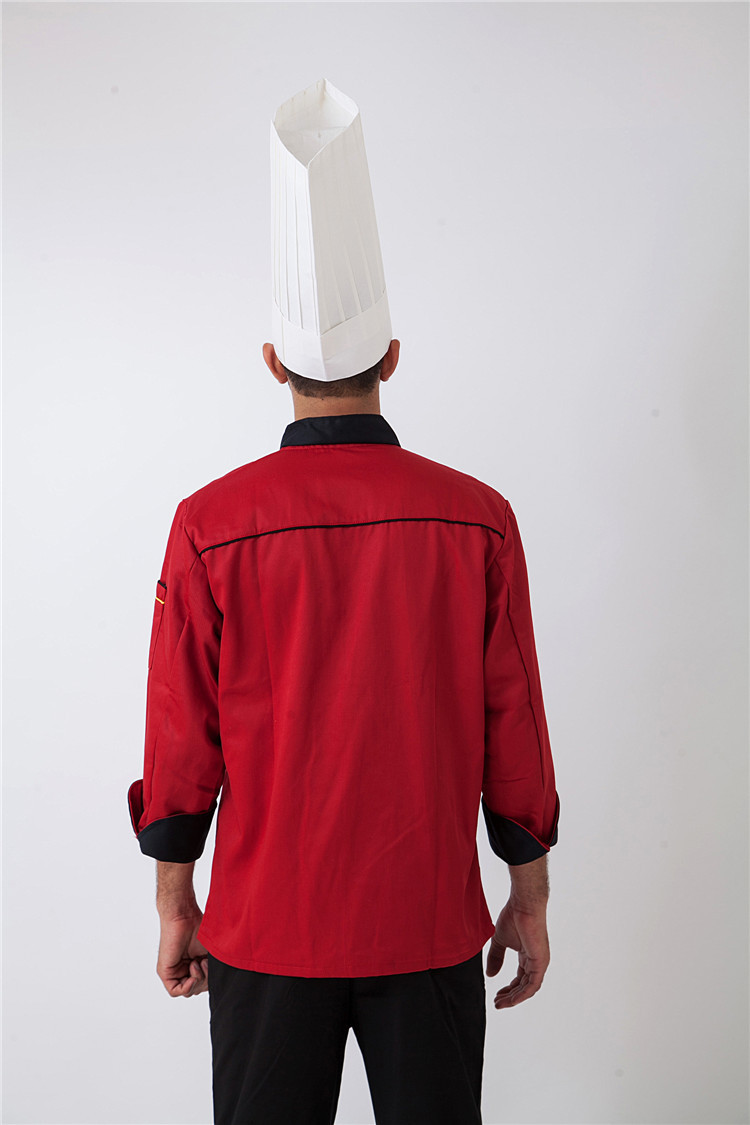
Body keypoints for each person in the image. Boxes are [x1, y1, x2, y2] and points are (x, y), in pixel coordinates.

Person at [128, 79, 560, 1125]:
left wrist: (176, 901)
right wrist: (530, 896)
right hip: (429, 923)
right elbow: (515, 726)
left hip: (268, 929)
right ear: (393, 360)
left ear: (272, 362)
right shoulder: (479, 519)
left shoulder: (209, 523)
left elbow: (181, 738)